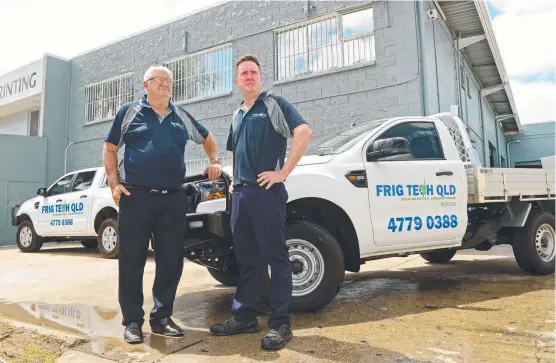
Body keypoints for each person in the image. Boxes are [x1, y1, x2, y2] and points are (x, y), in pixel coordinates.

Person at [103, 65, 222, 344]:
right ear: (145, 85)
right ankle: (132, 321)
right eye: (159, 80)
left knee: (170, 261)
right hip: (136, 198)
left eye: (169, 81)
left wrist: (214, 160)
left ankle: (162, 317)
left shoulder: (181, 115)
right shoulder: (129, 112)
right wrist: (113, 182)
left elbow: (207, 138)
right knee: (132, 261)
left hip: (172, 198)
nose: (166, 84)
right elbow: (110, 148)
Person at [210, 55, 312, 350]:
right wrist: (234, 183)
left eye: (254, 72)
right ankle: (245, 318)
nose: (249, 77)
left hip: (266, 193)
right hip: (241, 194)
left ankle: (281, 324)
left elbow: (303, 133)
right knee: (247, 260)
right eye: (244, 73)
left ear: (261, 78)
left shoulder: (274, 104)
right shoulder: (237, 114)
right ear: (237, 81)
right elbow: (236, 152)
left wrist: (283, 172)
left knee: (275, 258)